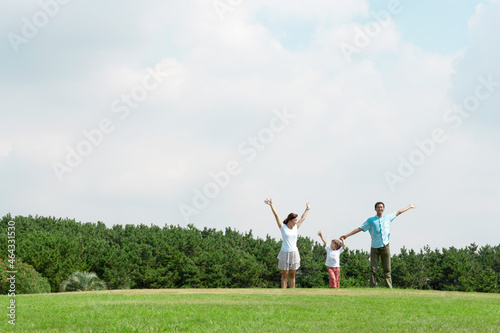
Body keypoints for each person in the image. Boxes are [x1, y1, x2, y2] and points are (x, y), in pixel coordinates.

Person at [340, 202, 416, 288]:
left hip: (385, 246)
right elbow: (359, 228)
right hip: (375, 247)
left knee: (387, 269)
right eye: (378, 207)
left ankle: (389, 287)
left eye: (381, 207)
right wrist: (347, 235)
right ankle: (372, 287)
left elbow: (399, 212)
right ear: (375, 209)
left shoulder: (388, 218)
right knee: (373, 269)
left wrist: (409, 207)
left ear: (384, 209)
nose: (380, 209)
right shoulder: (371, 220)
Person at [264, 198, 311, 289]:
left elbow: (303, 218)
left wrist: (307, 209)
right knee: (284, 275)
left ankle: (292, 293)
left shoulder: (296, 227)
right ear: (290, 219)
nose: (296, 222)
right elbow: (276, 215)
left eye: (296, 220)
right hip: (284, 253)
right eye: (294, 220)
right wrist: (271, 205)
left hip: (294, 253)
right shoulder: (282, 227)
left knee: (292, 275)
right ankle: (283, 292)